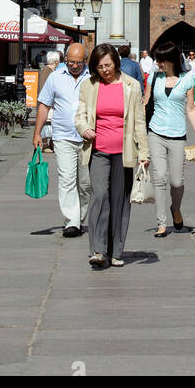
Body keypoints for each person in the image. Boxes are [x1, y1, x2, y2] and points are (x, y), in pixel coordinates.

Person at [74, 43, 149, 267]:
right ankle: (98, 250)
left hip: (124, 152)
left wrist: (143, 152)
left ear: (116, 62)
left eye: (107, 65)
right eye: (99, 67)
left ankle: (116, 250)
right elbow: (80, 113)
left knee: (120, 200)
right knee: (99, 196)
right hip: (97, 149)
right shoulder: (89, 85)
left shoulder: (131, 85)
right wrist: (84, 127)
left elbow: (138, 121)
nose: (105, 70)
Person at [145, 39, 195, 236]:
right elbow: (145, 104)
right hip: (155, 132)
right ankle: (161, 223)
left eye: (160, 60)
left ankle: (176, 208)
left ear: (171, 60)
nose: (158, 64)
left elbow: (190, 109)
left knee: (176, 182)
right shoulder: (153, 79)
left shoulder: (187, 80)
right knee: (159, 177)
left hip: (177, 134)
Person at [32, 43, 91, 237]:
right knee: (67, 180)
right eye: (71, 62)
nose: (74, 66)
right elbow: (44, 105)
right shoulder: (55, 77)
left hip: (88, 138)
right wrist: (37, 133)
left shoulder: (93, 78)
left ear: (85, 61)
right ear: (65, 59)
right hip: (63, 136)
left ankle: (80, 217)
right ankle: (71, 222)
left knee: (85, 183)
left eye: (78, 63)